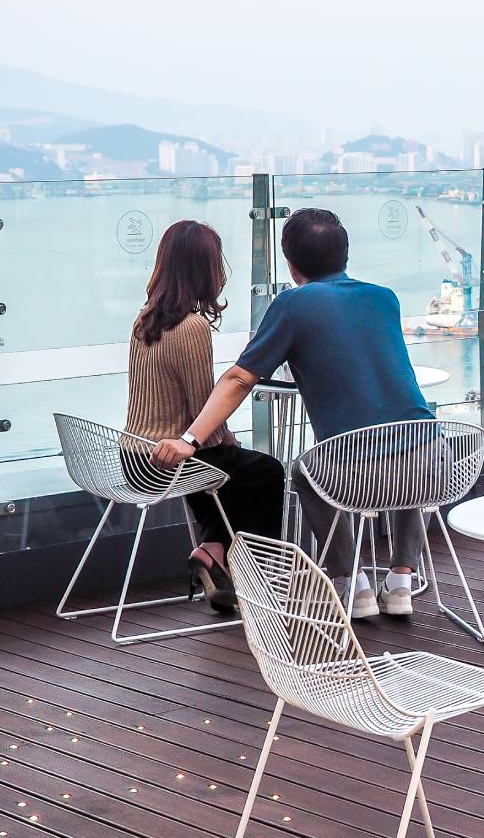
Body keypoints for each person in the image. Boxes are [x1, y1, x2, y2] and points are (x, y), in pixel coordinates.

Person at [154, 207, 433, 620]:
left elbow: (238, 379)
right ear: (345, 254)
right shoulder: (384, 298)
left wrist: (189, 439)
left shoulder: (292, 305)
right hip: (436, 466)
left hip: (360, 475)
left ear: (290, 262)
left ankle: (353, 584)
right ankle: (402, 579)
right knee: (407, 437)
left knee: (305, 471)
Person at [123, 219, 286, 613]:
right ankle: (256, 578)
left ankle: (213, 550)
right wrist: (228, 440)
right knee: (265, 472)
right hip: (167, 459)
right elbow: (203, 415)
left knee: (229, 470)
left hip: (135, 455)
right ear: (206, 269)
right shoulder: (192, 326)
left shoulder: (145, 319)